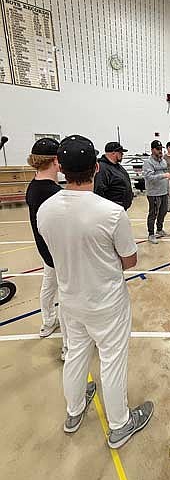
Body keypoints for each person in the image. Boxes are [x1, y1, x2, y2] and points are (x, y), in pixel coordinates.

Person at [37, 135, 153, 447]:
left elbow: (55, 252)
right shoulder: (112, 213)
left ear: (61, 168)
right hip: (106, 302)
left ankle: (74, 412)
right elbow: (129, 260)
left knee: (76, 354)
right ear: (96, 168)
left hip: (70, 299)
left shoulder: (44, 210)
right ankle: (119, 425)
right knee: (112, 359)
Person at [26, 138, 67, 359]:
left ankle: (48, 322)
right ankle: (68, 346)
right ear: (55, 160)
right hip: (58, 254)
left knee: (48, 287)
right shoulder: (53, 193)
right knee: (67, 297)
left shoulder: (33, 186)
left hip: (45, 251)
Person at [143, 140, 170, 244]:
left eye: (161, 149)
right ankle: (151, 234)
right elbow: (149, 177)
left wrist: (168, 188)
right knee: (153, 214)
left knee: (163, 212)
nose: (160, 151)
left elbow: (167, 175)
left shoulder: (163, 161)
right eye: (158, 149)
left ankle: (159, 230)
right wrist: (164, 175)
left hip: (164, 192)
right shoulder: (148, 162)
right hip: (154, 193)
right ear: (152, 150)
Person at [94, 142, 133, 210]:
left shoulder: (117, 166)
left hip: (120, 208)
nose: (122, 154)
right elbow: (99, 190)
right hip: (111, 210)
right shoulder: (102, 168)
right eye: (120, 152)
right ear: (113, 153)